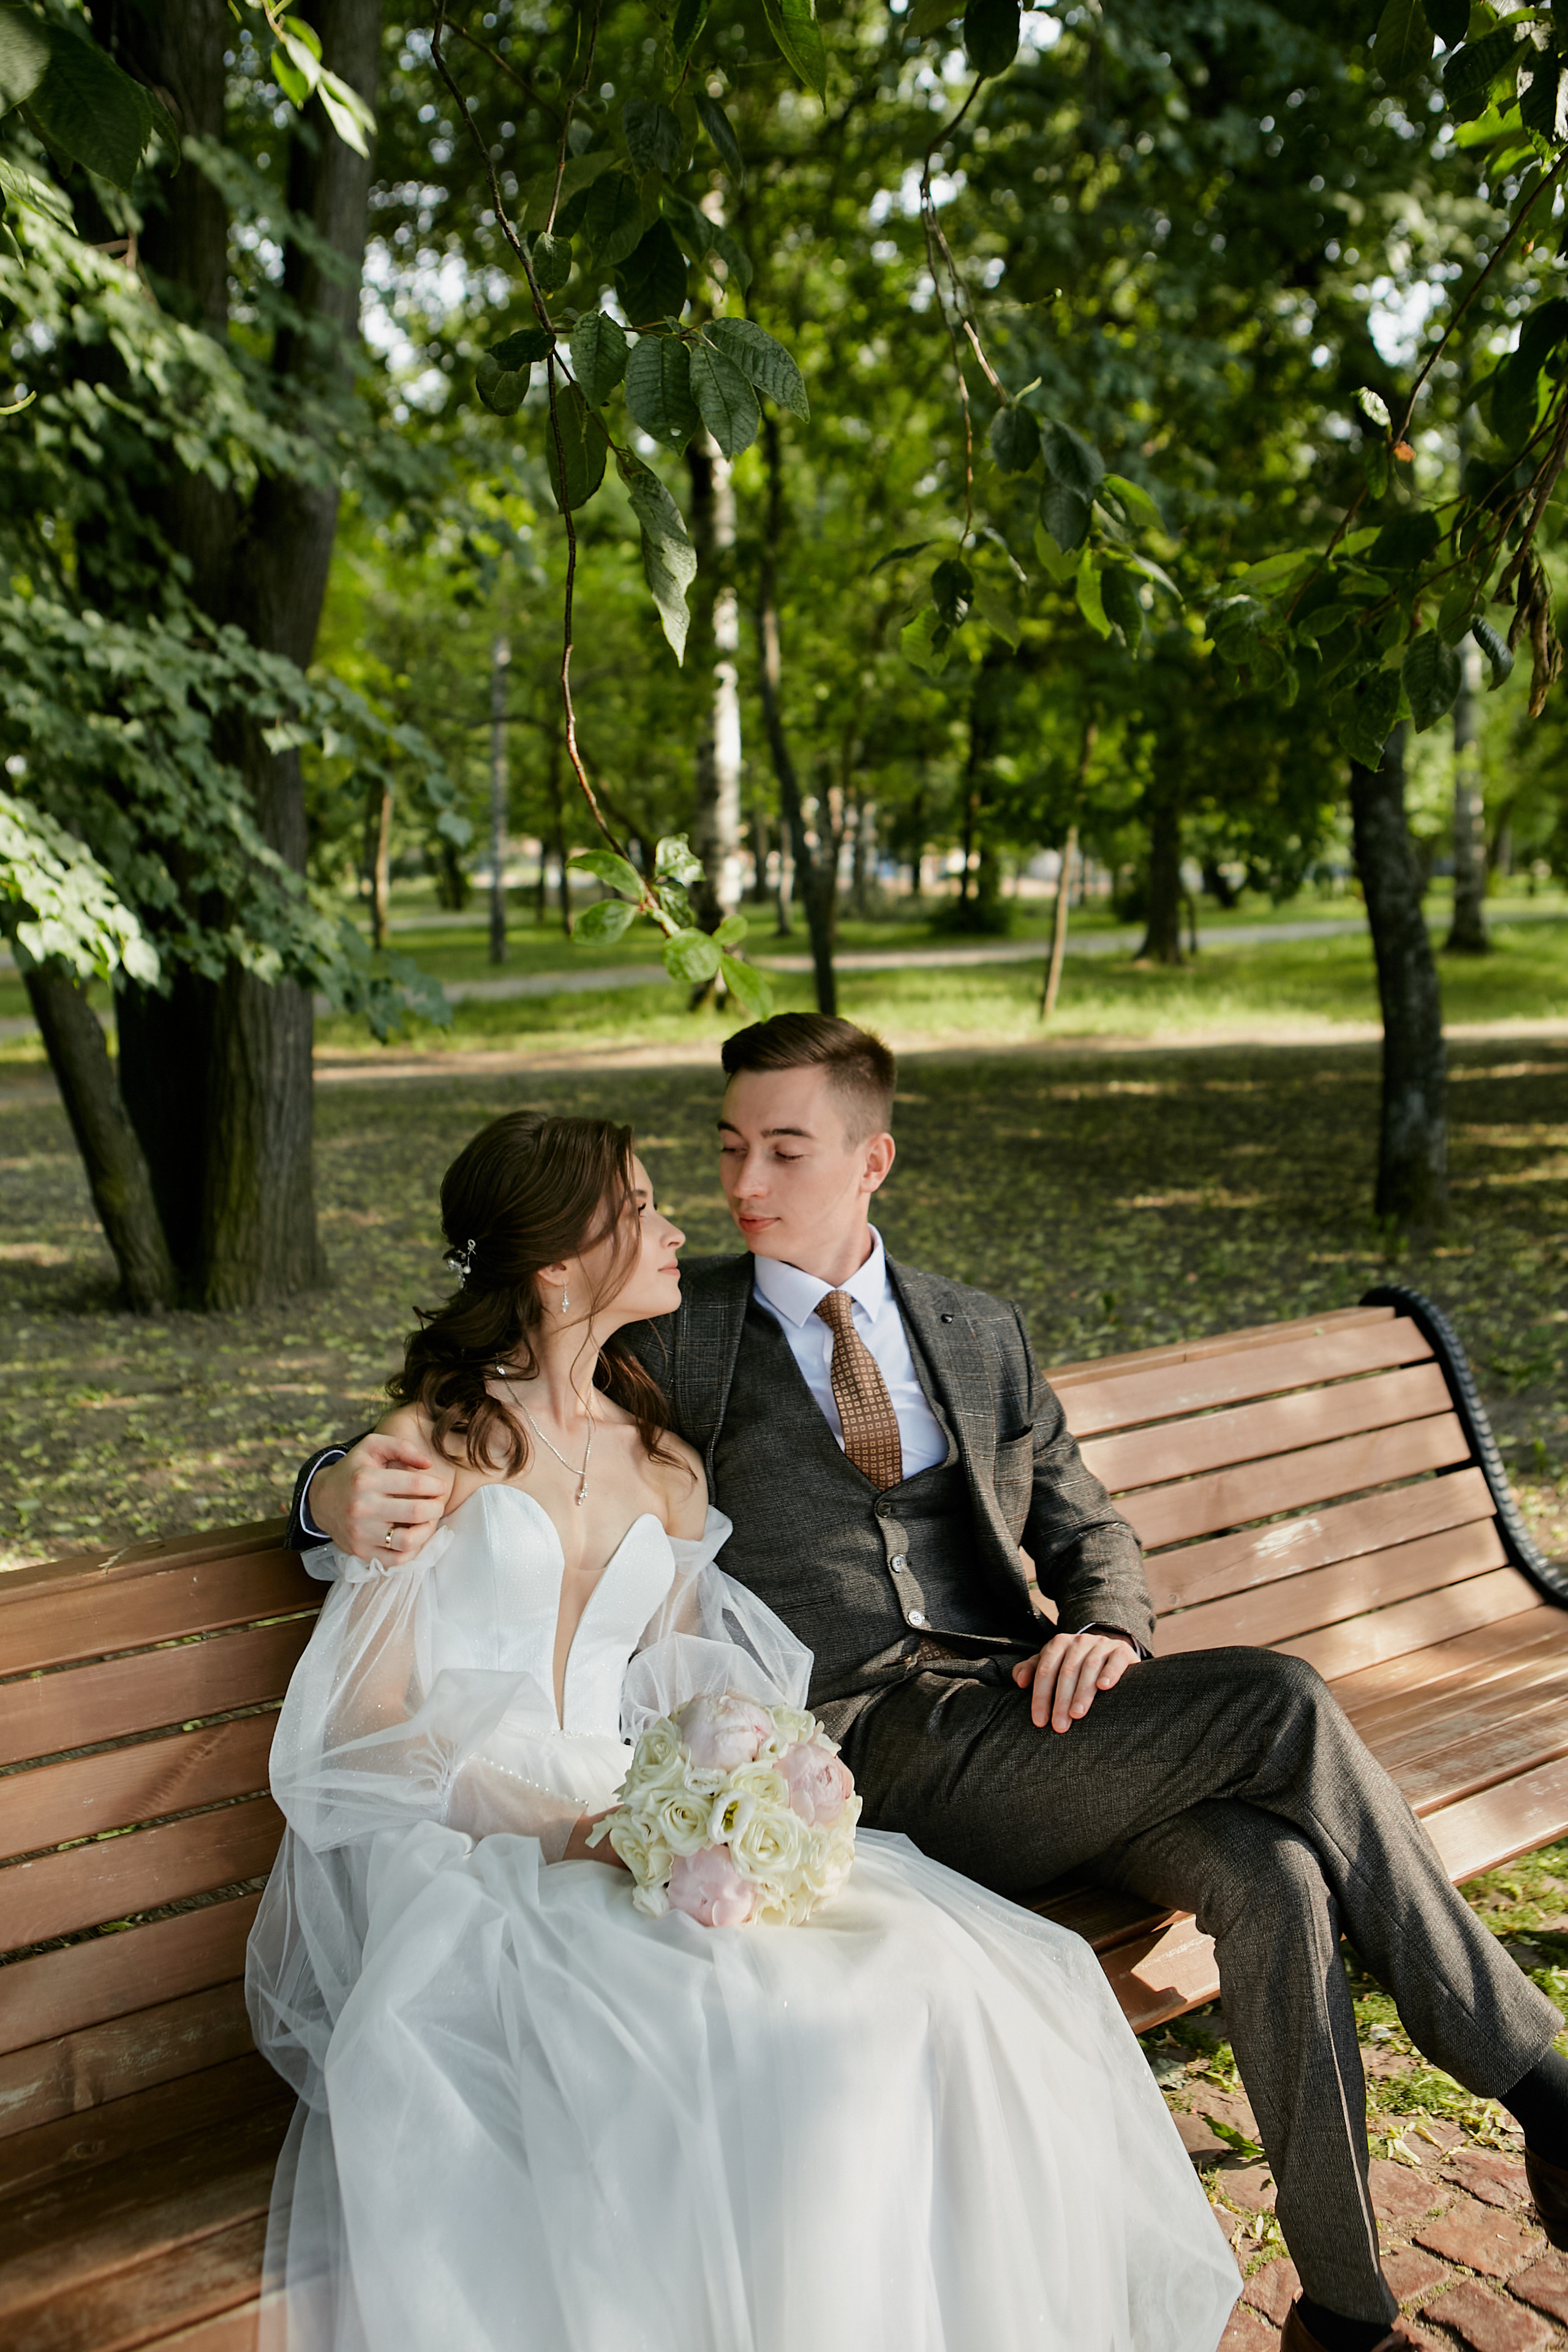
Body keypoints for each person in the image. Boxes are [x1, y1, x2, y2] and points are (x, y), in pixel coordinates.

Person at [294, 1017, 1568, 2352]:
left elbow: (1088, 1530)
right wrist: (325, 1495)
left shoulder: (974, 1331)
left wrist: (1108, 1634)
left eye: (783, 1149)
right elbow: (491, 1396)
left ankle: (1347, 2317)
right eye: (728, 1147)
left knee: (1274, 1876)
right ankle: (1539, 2085)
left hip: (1035, 1719)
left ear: (871, 1159)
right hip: (865, 1745)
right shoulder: (685, 1331)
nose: (740, 1184)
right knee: (1282, 1702)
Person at [252, 1107, 1240, 2352]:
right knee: (755, 2036)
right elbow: (372, 1733)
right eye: (644, 1208)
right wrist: (570, 1829)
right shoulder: (425, 1453)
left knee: (927, 1976)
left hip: (642, 1821)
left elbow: (681, 1685)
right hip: (475, 1856)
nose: (679, 1226)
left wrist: (745, 1784)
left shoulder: (660, 1460)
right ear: (555, 1264)